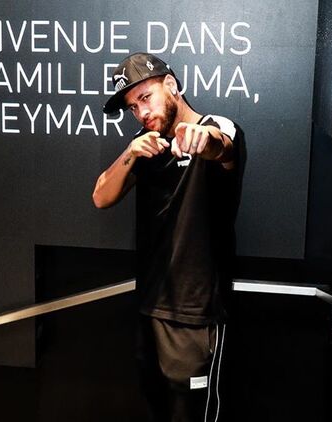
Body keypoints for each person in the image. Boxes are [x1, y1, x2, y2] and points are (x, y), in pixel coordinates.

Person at [93, 52, 244, 422]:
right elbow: (101, 196)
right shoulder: (145, 144)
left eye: (146, 97)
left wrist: (203, 140)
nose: (141, 112)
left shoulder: (215, 127)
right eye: (133, 106)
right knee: (156, 409)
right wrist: (131, 151)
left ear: (172, 86)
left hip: (195, 314)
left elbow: (222, 145)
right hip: (150, 305)